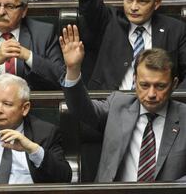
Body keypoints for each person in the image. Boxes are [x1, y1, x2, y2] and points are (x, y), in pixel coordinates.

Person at [60, 24, 186, 182]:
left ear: (174, 84)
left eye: (160, 86)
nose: (152, 94)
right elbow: (81, 109)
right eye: (144, 85)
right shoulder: (118, 105)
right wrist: (73, 69)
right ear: (135, 81)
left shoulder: (184, 116)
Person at [59, 0, 186, 90]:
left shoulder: (176, 30)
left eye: (142, 1)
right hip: (110, 105)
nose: (134, 7)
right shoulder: (109, 22)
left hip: (159, 105)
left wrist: (171, 103)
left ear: (157, 3)